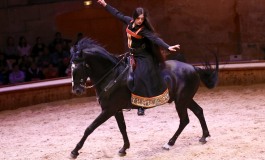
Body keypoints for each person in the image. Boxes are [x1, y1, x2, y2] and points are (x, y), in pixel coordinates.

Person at [97, 0, 180, 115]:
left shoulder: (143, 30)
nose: (140, 21)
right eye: (139, 18)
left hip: (144, 56)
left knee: (140, 75)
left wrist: (167, 46)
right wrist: (105, 5)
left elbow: (155, 38)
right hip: (132, 54)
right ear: (134, 17)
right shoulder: (129, 22)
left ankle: (141, 105)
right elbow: (117, 14)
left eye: (142, 19)